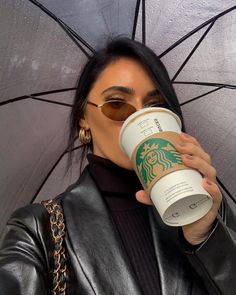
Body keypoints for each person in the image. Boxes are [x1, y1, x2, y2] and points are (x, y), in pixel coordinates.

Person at [0, 37, 235, 295]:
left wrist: (207, 238)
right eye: (117, 104)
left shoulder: (207, 206)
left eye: (154, 105)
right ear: (83, 119)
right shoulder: (38, 229)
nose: (138, 117)